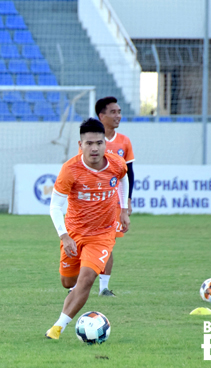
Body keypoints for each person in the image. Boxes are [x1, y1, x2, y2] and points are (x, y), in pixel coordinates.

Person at [45, 118, 129, 340]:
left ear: (105, 144)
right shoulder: (70, 170)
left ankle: (57, 328)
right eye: (89, 143)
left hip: (102, 234)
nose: (95, 148)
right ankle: (74, 295)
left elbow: (123, 179)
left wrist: (124, 209)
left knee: (87, 280)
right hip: (73, 233)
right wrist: (64, 236)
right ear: (80, 145)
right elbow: (54, 206)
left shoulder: (116, 163)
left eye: (99, 143)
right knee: (68, 282)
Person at [93, 97, 135, 296]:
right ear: (102, 116)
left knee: (108, 243)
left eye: (119, 111)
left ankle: (103, 288)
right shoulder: (92, 140)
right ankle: (75, 287)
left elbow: (130, 173)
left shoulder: (124, 141)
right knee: (83, 241)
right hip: (91, 203)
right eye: (113, 112)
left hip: (115, 203)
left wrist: (127, 201)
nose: (118, 115)